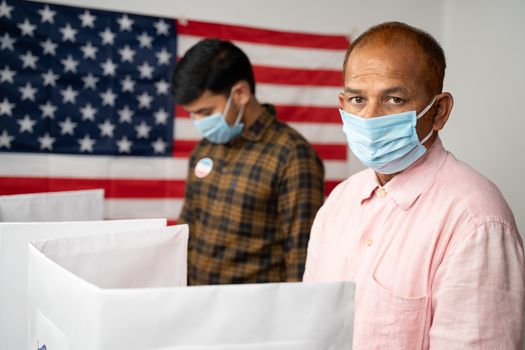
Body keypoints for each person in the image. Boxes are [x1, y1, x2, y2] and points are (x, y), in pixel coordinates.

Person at [303, 22, 524, 348]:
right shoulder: (339, 201)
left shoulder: (475, 219)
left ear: (439, 111)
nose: (370, 118)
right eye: (357, 99)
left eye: (393, 99)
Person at [172, 39, 325, 285]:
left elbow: (301, 253)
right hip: (196, 301)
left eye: (205, 112)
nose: (197, 122)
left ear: (240, 93)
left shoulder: (292, 155)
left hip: (255, 312)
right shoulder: (205, 147)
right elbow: (188, 225)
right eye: (192, 114)